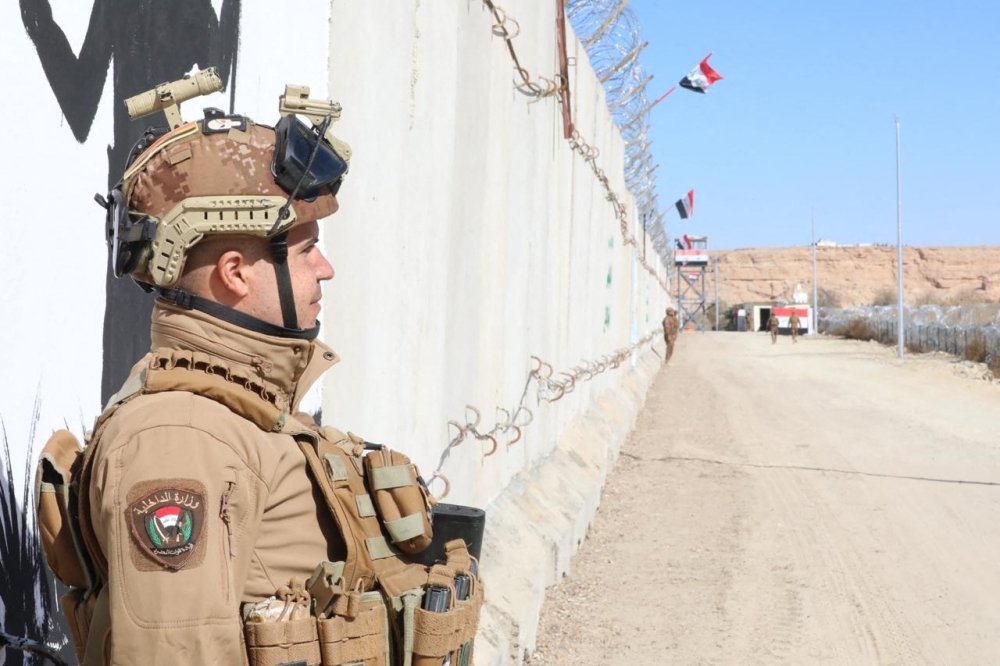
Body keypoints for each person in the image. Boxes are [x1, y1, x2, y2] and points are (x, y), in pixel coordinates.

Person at [38, 74, 481, 666]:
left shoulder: (246, 415)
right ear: (235, 273)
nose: (325, 269)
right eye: (304, 248)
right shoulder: (179, 440)